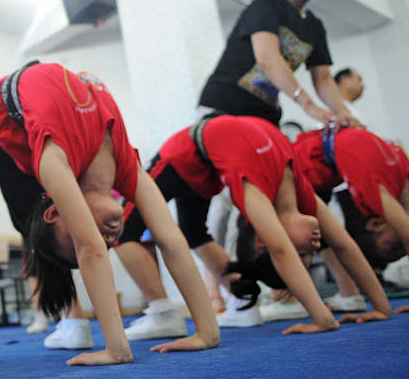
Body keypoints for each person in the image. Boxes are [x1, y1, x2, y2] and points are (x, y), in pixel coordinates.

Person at [0, 62, 220, 367]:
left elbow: (136, 244)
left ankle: (74, 320)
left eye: (88, 239)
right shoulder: (119, 165)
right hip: (4, 127)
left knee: (24, 228)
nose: (107, 240)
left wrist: (200, 335)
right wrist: (122, 346)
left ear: (57, 212)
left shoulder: (54, 160)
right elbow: (150, 241)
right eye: (106, 242)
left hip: (8, 124)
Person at [116, 114, 390, 334]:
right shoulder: (299, 196)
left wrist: (322, 319)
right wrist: (380, 306)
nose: (317, 246)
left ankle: (167, 313)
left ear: (263, 239)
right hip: (203, 158)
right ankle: (233, 306)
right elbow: (344, 244)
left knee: (123, 233)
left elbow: (283, 249)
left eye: (303, 254)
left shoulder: (253, 192)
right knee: (191, 232)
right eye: (309, 255)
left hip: (183, 154)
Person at [197, 0, 357, 129]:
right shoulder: (265, 6)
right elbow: (267, 58)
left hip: (265, 116)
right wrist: (310, 107)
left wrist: (344, 113)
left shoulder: (315, 26)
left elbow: (323, 78)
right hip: (224, 108)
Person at [293, 126, 409, 315]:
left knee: (318, 228)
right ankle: (286, 295)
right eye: (395, 247)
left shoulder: (394, 172)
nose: (403, 250)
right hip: (305, 160)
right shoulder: (376, 188)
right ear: (376, 224)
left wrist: (382, 309)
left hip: (317, 161)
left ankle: (348, 293)